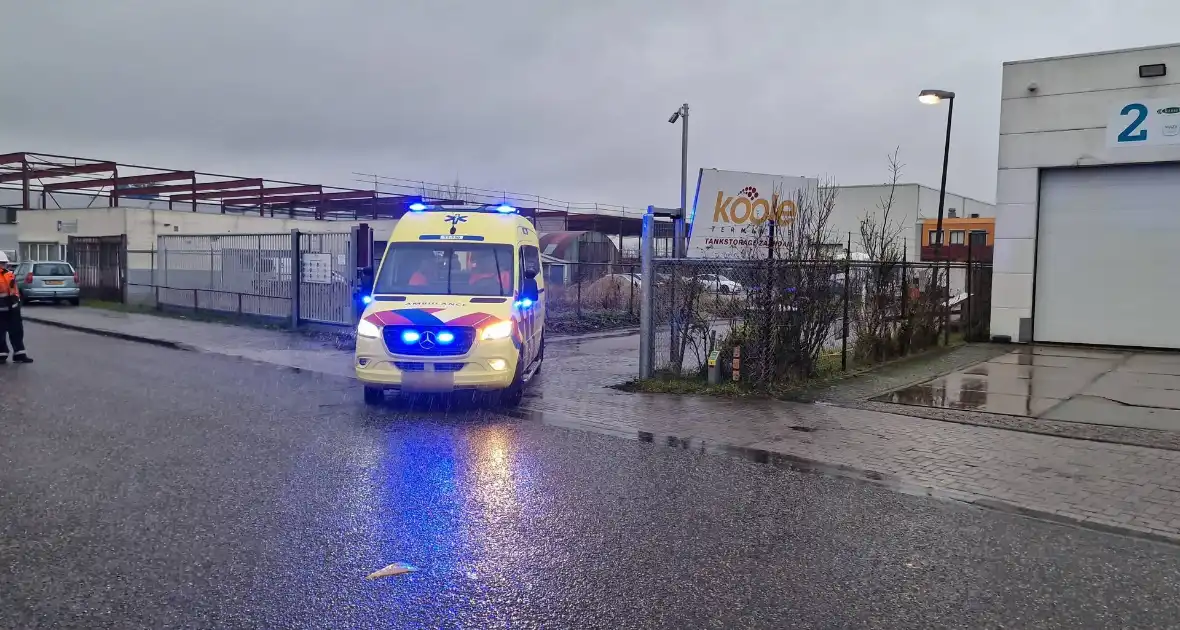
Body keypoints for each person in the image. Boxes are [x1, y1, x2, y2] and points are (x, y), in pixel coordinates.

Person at [0, 252, 32, 364]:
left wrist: (17, 302)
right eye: (1, 263)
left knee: (17, 332)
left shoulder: (9, 275)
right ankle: (2, 354)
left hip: (12, 308)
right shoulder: (9, 274)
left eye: (4, 263)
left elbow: (15, 290)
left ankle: (19, 354)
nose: (3, 266)